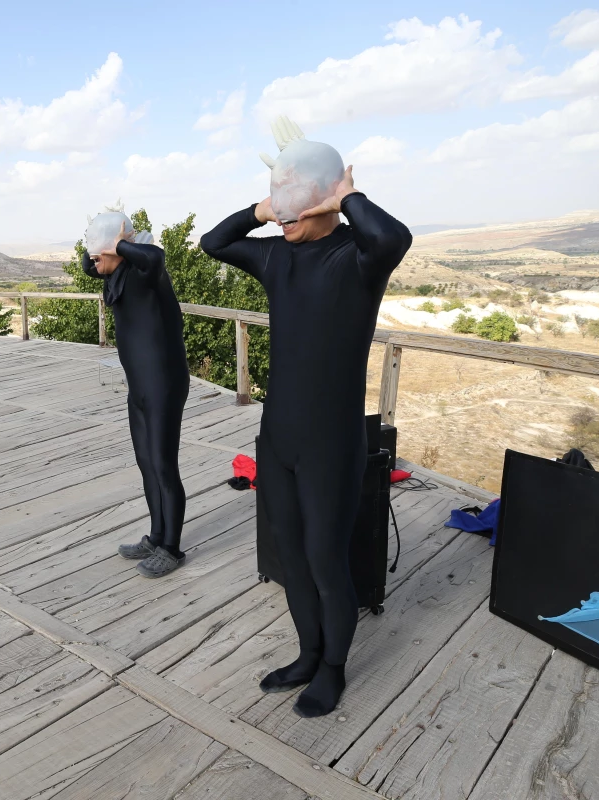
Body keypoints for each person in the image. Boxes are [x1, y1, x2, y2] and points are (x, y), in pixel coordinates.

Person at [201, 164, 412, 719]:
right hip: (278, 440)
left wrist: (347, 196)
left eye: (297, 204)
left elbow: (395, 237)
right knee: (291, 558)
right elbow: (212, 242)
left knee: (324, 561)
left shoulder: (359, 258)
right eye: (279, 205)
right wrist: (263, 212)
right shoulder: (276, 256)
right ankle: (307, 654)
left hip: (331, 442)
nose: (285, 216)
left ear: (326, 203)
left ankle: (334, 669)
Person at [81, 217, 190, 579]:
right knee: (146, 463)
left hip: (164, 384)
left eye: (101, 253)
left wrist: (118, 241)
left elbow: (154, 258)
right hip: (139, 387)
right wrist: (100, 244)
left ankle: (172, 549)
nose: (94, 260)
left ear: (120, 249)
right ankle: (157, 536)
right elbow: (88, 264)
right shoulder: (117, 276)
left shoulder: (147, 273)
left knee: (163, 465)